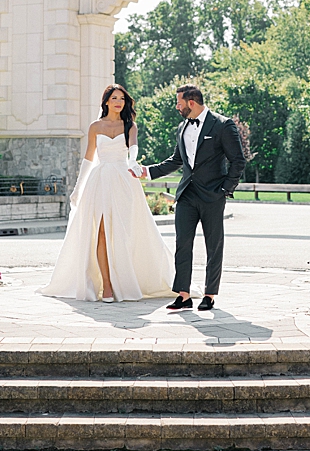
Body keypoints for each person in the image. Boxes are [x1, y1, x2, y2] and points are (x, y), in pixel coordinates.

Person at [38, 84, 175, 303]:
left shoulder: (130, 126)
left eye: (122, 98)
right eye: (114, 98)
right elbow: (89, 158)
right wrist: (77, 188)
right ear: (106, 102)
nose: (119, 102)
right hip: (100, 181)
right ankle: (108, 286)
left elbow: (133, 148)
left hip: (123, 180)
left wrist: (133, 162)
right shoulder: (95, 126)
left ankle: (126, 280)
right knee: (100, 232)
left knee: (122, 233)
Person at [141, 85, 245, 311]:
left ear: (191, 102)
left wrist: (225, 189)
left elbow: (238, 160)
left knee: (213, 245)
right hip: (187, 194)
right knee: (182, 244)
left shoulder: (222, 125)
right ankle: (184, 295)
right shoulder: (182, 128)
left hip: (213, 195)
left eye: (179, 102)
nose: (176, 106)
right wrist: (147, 171)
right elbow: (176, 160)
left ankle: (209, 294)